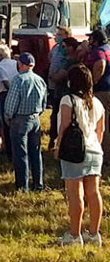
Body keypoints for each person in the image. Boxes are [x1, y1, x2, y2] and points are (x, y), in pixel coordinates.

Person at [55, 65, 104, 246]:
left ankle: (75, 235)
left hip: (75, 151)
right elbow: (101, 131)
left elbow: (65, 125)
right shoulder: (96, 103)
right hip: (95, 150)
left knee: (75, 194)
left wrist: (58, 145)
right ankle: (94, 234)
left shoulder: (68, 100)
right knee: (94, 192)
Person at [3, 52, 47, 192]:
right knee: (36, 152)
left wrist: (8, 116)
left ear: (21, 64)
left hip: (20, 119)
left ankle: (23, 186)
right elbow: (44, 101)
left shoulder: (18, 80)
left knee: (21, 154)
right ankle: (38, 184)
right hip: (35, 118)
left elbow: (11, 101)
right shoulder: (40, 80)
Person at [49, 37, 82, 149]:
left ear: (71, 48)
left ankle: (57, 141)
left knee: (58, 118)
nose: (61, 49)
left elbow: (58, 77)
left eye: (63, 47)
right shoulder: (64, 60)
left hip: (64, 94)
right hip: (60, 93)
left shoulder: (71, 62)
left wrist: (52, 75)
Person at [86, 29, 110, 166]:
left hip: (102, 91)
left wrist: (93, 82)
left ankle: (105, 156)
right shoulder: (108, 48)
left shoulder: (98, 51)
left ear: (96, 40)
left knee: (102, 124)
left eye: (91, 39)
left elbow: (101, 63)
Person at [0, 44, 19, 159]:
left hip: (5, 94)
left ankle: (9, 152)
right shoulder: (16, 63)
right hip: (19, 93)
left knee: (6, 124)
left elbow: (5, 82)